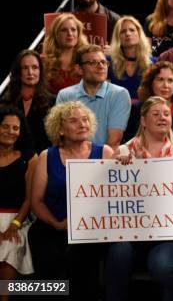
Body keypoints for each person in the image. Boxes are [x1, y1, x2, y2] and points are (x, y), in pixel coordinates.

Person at [109, 96, 173, 301]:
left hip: (168, 233)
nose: (162, 118)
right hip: (130, 232)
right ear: (143, 120)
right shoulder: (123, 152)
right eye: (155, 114)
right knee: (117, 255)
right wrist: (115, 168)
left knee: (164, 267)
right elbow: (107, 194)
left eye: (166, 114)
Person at [28, 101, 114, 299]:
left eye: (85, 120)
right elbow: (37, 201)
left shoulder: (105, 152)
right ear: (60, 130)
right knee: (46, 252)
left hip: (91, 229)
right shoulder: (46, 156)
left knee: (80, 264)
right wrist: (57, 224)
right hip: (53, 224)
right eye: (74, 121)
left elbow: (116, 194)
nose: (82, 124)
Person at [56, 44, 131, 150]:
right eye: (93, 63)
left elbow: (114, 141)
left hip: (104, 160)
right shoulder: (65, 95)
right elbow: (63, 137)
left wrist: (94, 165)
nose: (100, 66)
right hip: (73, 159)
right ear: (79, 69)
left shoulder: (119, 94)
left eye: (103, 62)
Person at [0, 107, 37, 288]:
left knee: (10, 244)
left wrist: (14, 225)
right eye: (5, 126)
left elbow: (29, 199)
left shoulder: (29, 157)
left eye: (15, 128)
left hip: (18, 219)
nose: (11, 132)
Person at [125, 61, 173, 145]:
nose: (165, 85)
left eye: (170, 80)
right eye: (160, 79)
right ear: (151, 82)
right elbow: (129, 139)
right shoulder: (138, 108)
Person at [2, 50, 55, 153]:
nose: (30, 72)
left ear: (40, 71)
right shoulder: (6, 102)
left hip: (42, 160)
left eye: (35, 67)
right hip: (11, 158)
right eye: (25, 68)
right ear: (18, 71)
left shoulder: (53, 102)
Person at [107, 16, 156, 101]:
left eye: (132, 30)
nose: (128, 34)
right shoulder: (108, 62)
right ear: (117, 37)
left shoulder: (153, 63)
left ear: (139, 34)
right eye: (123, 31)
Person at [42, 12, 89, 95]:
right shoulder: (44, 61)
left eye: (73, 30)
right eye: (64, 30)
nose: (70, 34)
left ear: (78, 34)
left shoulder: (87, 59)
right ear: (56, 35)